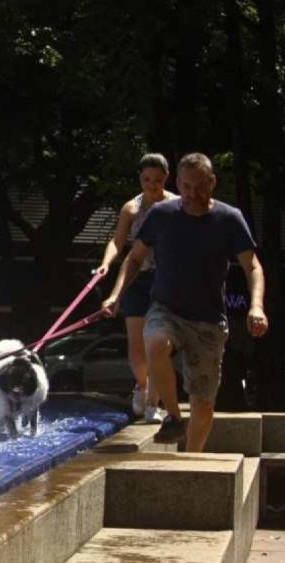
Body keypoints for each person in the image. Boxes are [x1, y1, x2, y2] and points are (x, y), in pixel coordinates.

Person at [102, 152, 268, 452]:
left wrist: (256, 306)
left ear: (212, 183)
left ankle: (192, 458)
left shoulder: (229, 219)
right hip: (166, 308)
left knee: (203, 405)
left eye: (200, 187)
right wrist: (116, 295)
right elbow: (135, 257)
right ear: (178, 183)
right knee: (154, 343)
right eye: (187, 187)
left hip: (208, 320)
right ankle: (174, 418)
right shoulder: (162, 214)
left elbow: (253, 266)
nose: (193, 195)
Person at [94, 153, 178, 422]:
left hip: (166, 280)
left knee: (158, 345)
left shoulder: (176, 205)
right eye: (146, 179)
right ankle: (142, 386)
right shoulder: (131, 208)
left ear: (166, 178)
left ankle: (153, 406)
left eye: (157, 179)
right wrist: (106, 264)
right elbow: (118, 242)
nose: (151, 185)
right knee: (137, 349)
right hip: (136, 277)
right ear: (140, 179)